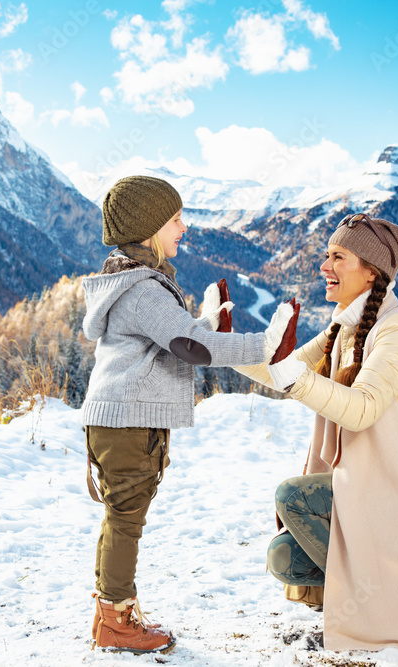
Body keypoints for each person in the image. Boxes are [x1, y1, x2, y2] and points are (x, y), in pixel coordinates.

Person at [235, 212, 398, 651]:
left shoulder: (397, 331)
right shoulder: (342, 329)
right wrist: (218, 344)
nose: (324, 267)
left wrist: (298, 378)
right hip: (373, 492)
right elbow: (280, 371)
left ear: (371, 272)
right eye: (327, 255)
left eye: (338, 257)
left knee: (293, 496)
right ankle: (366, 597)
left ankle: (397, 603)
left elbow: (362, 409)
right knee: (283, 557)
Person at [80, 175, 297, 654]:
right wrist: (265, 344)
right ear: (148, 228)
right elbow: (188, 347)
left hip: (118, 420)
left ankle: (113, 612)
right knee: (126, 521)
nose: (184, 227)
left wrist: (206, 322)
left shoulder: (135, 283)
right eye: (175, 219)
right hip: (128, 424)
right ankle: (116, 621)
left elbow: (176, 339)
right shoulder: (143, 291)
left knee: (121, 518)